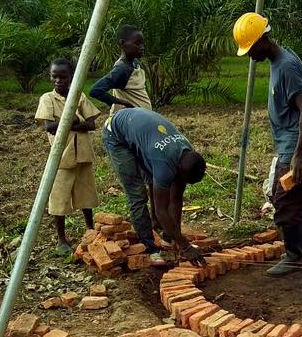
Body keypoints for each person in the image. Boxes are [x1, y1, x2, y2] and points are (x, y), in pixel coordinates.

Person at [234, 12, 302, 277]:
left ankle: (294, 254)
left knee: (284, 202)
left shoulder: (285, 66)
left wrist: (299, 156)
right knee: (294, 199)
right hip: (293, 143)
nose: (250, 55)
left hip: (297, 146)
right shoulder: (282, 60)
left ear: (264, 39)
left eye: (251, 49)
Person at [101, 108, 206, 264]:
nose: (180, 182)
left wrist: (177, 240)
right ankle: (149, 247)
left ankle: (168, 237)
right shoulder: (164, 164)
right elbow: (161, 210)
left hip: (142, 133)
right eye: (182, 179)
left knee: (157, 183)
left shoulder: (187, 154)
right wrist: (186, 247)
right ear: (178, 169)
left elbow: (176, 199)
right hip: (116, 134)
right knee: (137, 194)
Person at [35, 58, 100, 255]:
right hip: (62, 157)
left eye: (63, 77)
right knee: (59, 198)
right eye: (54, 76)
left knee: (86, 195)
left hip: (83, 154)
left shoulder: (77, 96)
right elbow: (49, 127)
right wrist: (74, 120)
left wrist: (72, 121)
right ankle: (61, 239)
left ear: (72, 78)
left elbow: (92, 124)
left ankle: (90, 230)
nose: (58, 80)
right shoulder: (47, 99)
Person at [89, 24, 152, 113]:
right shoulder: (122, 69)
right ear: (122, 43)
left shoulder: (135, 63)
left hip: (141, 118)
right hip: (130, 120)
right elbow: (95, 91)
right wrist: (124, 103)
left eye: (142, 44)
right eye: (137, 43)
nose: (142, 47)